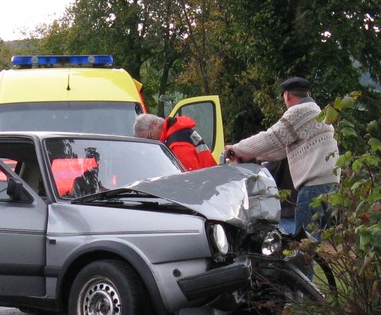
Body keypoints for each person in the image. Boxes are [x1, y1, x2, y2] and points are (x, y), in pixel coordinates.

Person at [225, 76, 338, 239]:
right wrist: (248, 155)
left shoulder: (299, 112)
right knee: (315, 240)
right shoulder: (318, 112)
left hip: (313, 187)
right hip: (330, 185)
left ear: (287, 95)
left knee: (304, 245)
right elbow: (281, 150)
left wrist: (236, 148)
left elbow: (270, 138)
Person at [132, 113, 218, 170]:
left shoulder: (177, 142)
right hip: (209, 178)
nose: (150, 142)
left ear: (155, 124)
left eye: (149, 137)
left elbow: (190, 175)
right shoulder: (177, 132)